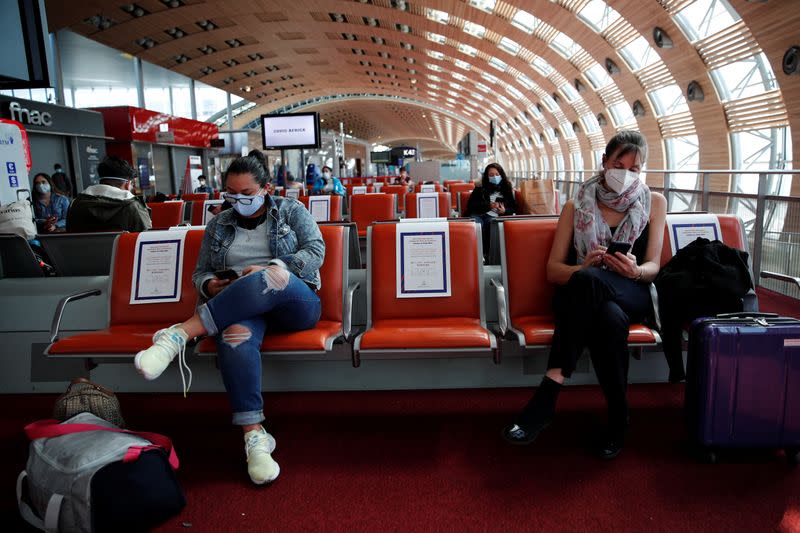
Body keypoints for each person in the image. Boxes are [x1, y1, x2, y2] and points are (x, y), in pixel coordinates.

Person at [133, 155, 324, 485]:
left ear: (265, 188)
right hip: (242, 308)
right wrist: (211, 285)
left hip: (294, 303)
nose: (238, 202)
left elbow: (315, 251)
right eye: (231, 195)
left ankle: (182, 333)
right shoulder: (218, 224)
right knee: (235, 336)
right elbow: (200, 273)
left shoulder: (292, 211)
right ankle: (255, 436)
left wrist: (272, 266)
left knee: (271, 277)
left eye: (246, 193)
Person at [502, 130, 667, 460]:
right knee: (605, 313)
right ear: (604, 162)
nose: (625, 174)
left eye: (634, 169)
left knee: (593, 284)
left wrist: (633, 270)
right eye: (619, 164)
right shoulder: (575, 205)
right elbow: (553, 271)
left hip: (631, 290)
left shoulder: (654, 203)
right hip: (587, 297)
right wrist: (584, 268)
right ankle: (619, 416)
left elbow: (653, 266)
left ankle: (549, 394)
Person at [66, 156, 152, 233]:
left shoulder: (75, 204)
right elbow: (146, 239)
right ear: (127, 184)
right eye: (132, 184)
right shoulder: (133, 206)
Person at [465, 163, 517, 255]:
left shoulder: (506, 188)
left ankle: (489, 255)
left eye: (497, 174)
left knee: (492, 224)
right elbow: (471, 205)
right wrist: (489, 206)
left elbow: (513, 207)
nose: (495, 177)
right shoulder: (480, 188)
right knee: (476, 226)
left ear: (501, 175)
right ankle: (476, 254)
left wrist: (504, 211)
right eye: (491, 175)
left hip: (495, 216)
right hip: (479, 214)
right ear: (487, 176)